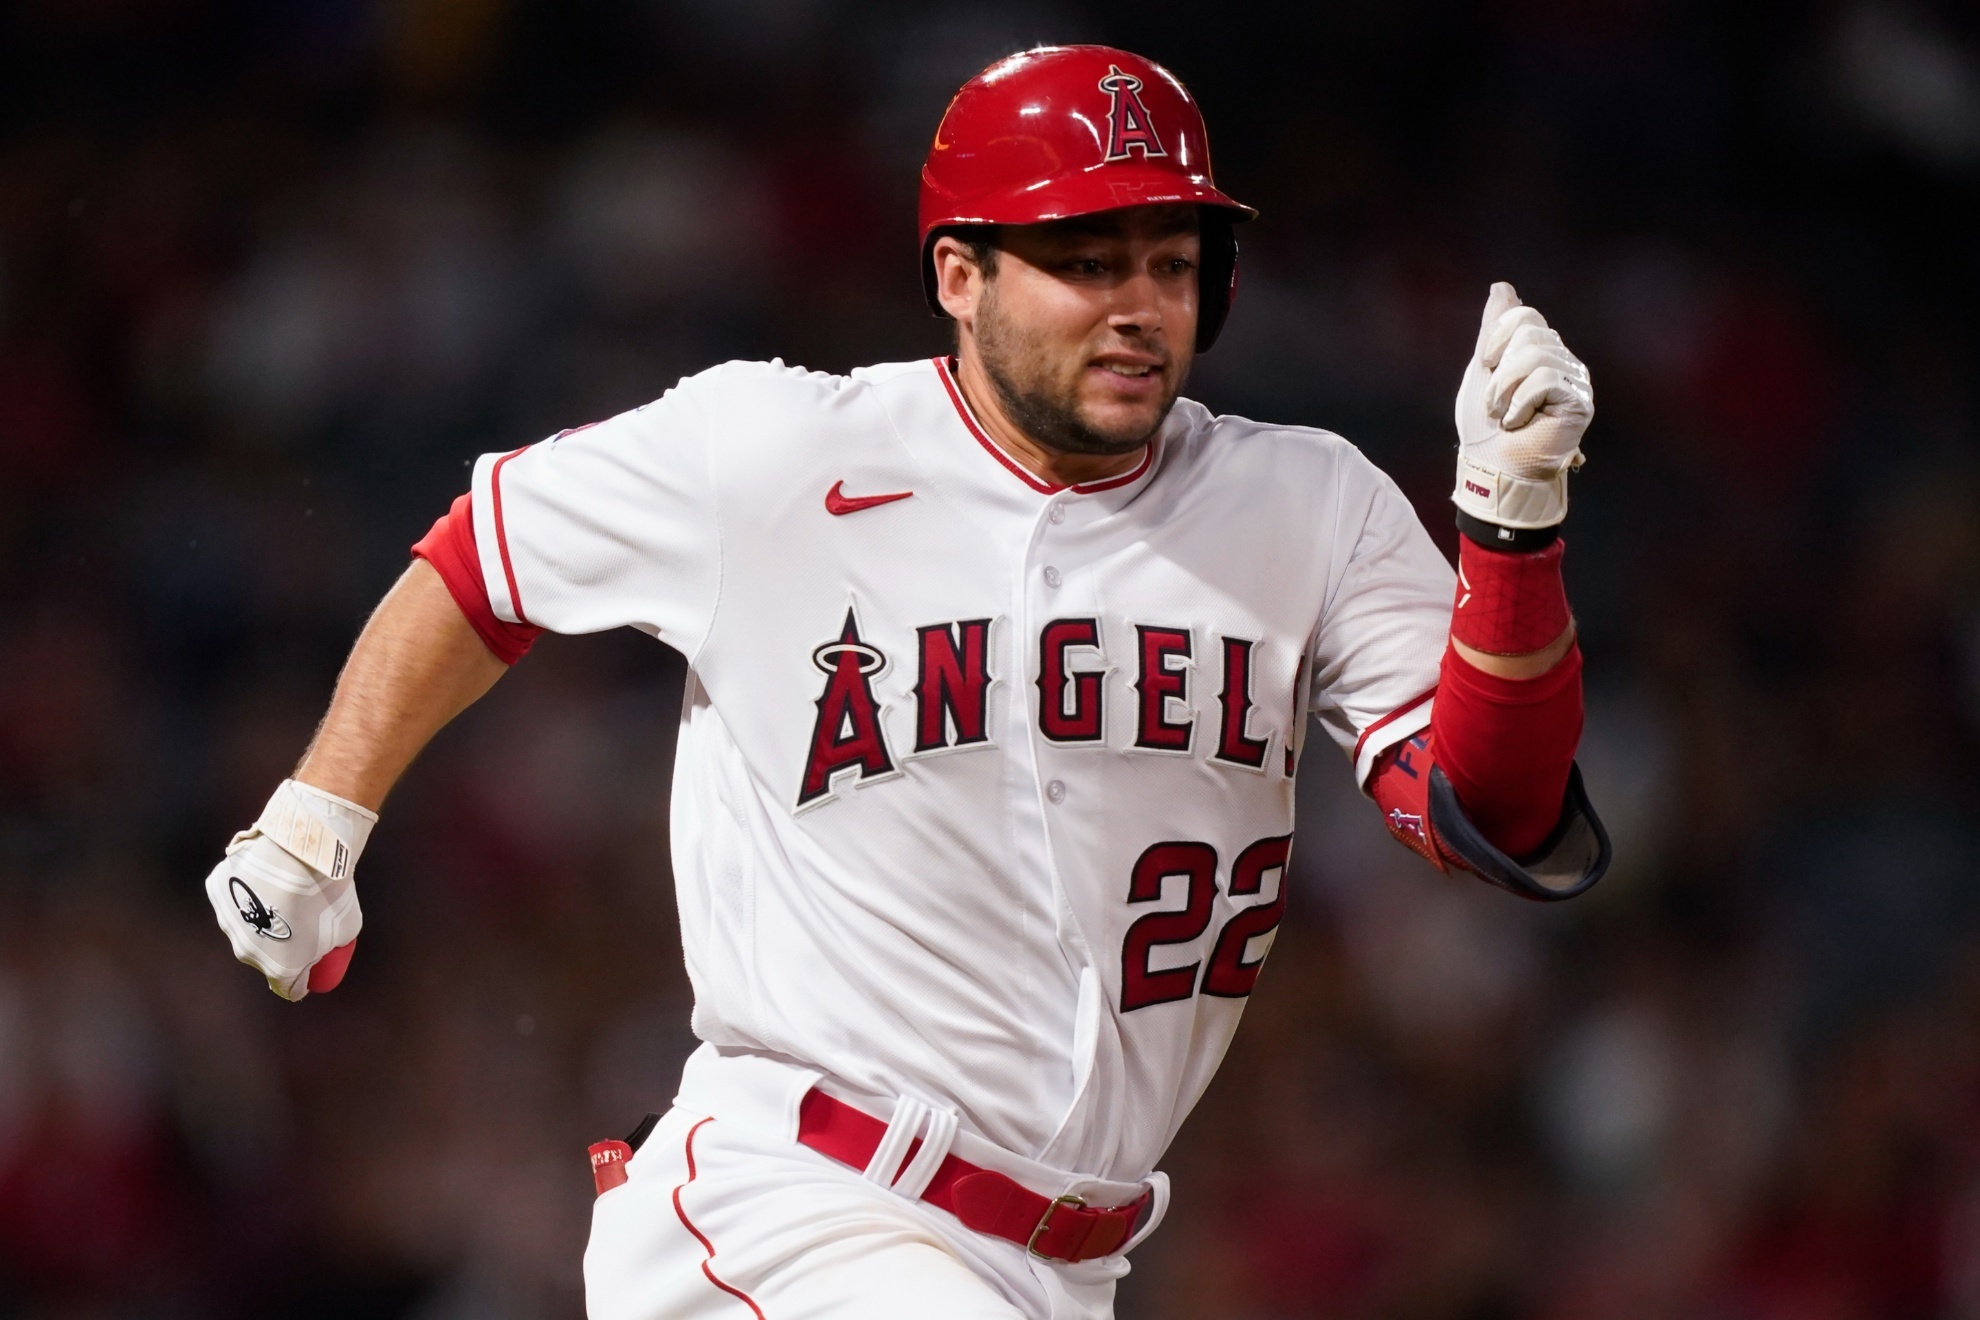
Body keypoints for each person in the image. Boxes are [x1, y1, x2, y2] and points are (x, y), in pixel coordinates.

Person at [204, 44, 1605, 1320]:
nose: (1136, 307)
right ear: (960, 273)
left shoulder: (1309, 507)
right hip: (799, 1208)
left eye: (1169, 264)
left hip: (1067, 1264)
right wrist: (318, 816)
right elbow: (482, 561)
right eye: (1084, 258)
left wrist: (1513, 534)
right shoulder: (775, 450)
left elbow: (1495, 808)